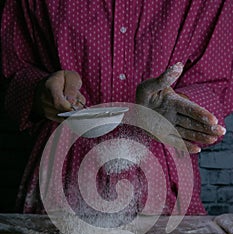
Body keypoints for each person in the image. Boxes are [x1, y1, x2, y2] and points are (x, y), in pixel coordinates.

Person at [1, 0, 233, 218]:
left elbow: (217, 81)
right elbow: (12, 69)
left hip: (164, 185)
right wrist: (41, 92)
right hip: (60, 181)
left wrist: (178, 106)